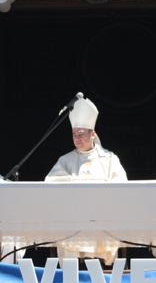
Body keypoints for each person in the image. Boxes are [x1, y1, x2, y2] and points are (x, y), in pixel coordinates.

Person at [45, 95, 126, 262]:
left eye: (81, 134)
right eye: (74, 134)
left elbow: (121, 188)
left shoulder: (109, 159)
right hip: (73, 218)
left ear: (93, 134)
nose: (77, 138)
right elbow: (51, 185)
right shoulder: (65, 160)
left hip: (103, 217)